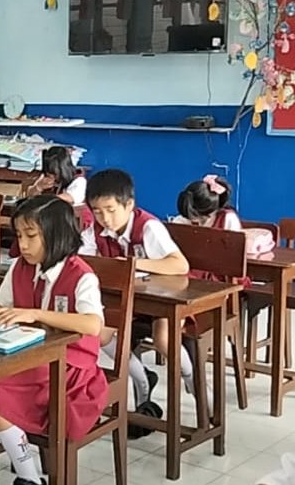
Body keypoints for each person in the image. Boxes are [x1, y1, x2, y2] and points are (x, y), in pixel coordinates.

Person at [0, 196, 107, 485]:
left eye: (31, 236)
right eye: (19, 236)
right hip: (26, 357)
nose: (22, 244)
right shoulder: (21, 267)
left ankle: (30, 478)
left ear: (56, 234)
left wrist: (35, 313)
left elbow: (93, 323)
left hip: (67, 367)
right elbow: (4, 307)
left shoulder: (81, 275)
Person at [80, 168, 189, 410]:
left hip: (163, 298)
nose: (104, 218)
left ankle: (195, 383)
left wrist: (133, 264)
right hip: (126, 298)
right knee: (98, 334)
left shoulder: (148, 227)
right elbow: (82, 260)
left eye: (111, 210)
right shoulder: (95, 231)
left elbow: (180, 265)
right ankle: (141, 378)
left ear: (129, 205)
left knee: (163, 339)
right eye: (97, 211)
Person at [10, 146, 91, 258]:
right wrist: (38, 187)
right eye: (48, 173)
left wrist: (45, 200)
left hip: (70, 221)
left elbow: (69, 197)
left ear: (63, 169)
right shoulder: (45, 178)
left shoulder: (79, 180)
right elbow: (30, 194)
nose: (51, 177)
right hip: (50, 218)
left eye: (54, 173)